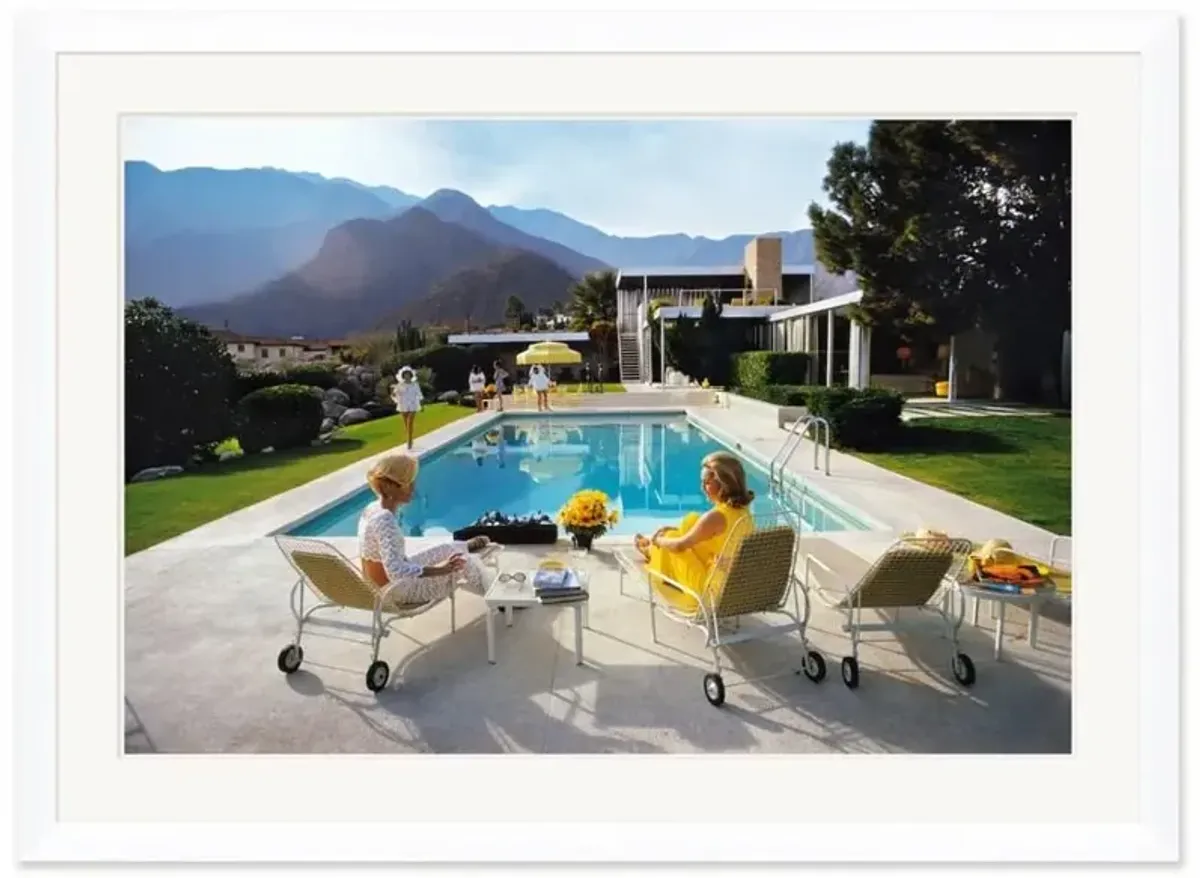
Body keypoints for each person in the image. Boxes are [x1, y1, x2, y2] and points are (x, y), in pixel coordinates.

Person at [357, 453, 490, 603]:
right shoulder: (384, 519)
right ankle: (496, 598)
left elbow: (391, 562)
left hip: (381, 585)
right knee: (464, 562)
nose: (413, 488)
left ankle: (463, 546)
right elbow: (396, 572)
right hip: (397, 591)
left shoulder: (372, 508)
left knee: (447, 549)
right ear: (389, 487)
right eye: (407, 483)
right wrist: (442, 569)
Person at [634, 452, 755, 614]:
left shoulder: (716, 517)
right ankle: (656, 552)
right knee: (691, 520)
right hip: (732, 583)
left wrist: (658, 539)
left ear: (723, 483)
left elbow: (679, 546)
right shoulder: (742, 511)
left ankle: (652, 550)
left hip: (711, 592)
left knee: (671, 539)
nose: (702, 487)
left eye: (707, 482)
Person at [392, 366, 423, 451]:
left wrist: (421, 404)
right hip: (403, 405)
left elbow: (419, 394)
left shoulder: (415, 384)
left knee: (410, 423)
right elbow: (394, 394)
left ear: (411, 375)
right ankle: (410, 438)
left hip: (413, 405)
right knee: (406, 424)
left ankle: (409, 441)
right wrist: (395, 394)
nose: (407, 376)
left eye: (408, 374)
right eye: (405, 374)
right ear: (403, 376)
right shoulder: (399, 385)